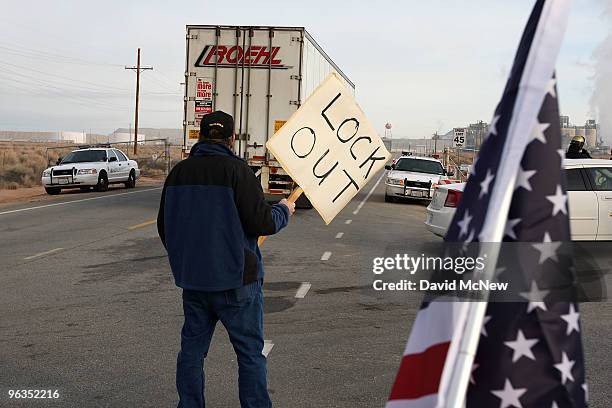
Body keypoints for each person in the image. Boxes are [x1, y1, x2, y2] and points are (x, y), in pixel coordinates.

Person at [157, 111, 295, 408]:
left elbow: (164, 227)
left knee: (192, 352)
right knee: (249, 354)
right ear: (231, 138)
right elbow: (263, 223)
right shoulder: (237, 171)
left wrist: (187, 260)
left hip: (194, 281)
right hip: (237, 282)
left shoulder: (178, 173)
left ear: (202, 136)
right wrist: (284, 210)